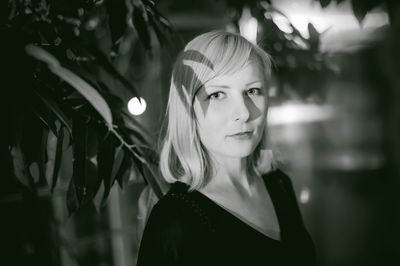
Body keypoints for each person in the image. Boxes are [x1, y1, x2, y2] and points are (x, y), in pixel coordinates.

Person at [136, 30, 315, 266]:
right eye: (218, 94)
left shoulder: (278, 183)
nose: (243, 113)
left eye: (252, 91)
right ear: (187, 110)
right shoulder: (175, 221)